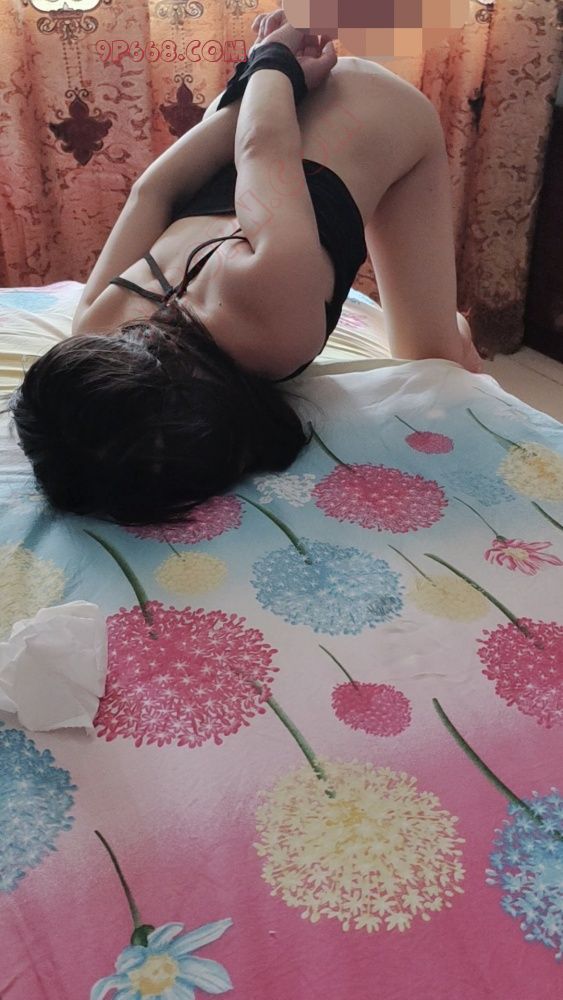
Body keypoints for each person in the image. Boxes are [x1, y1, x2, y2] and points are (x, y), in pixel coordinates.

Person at [6, 8, 484, 527]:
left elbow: (263, 149)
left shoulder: (274, 319)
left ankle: (457, 329)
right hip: (245, 123)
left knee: (436, 357)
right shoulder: (93, 326)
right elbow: (153, 191)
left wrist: (276, 62)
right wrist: (260, 77)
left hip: (365, 107)